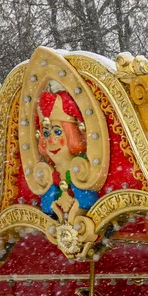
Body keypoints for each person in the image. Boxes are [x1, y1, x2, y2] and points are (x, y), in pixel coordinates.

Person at [34, 89, 100, 220]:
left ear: (72, 134)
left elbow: (87, 201)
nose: (51, 141)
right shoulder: (49, 174)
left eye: (58, 132)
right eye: (46, 134)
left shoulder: (82, 168)